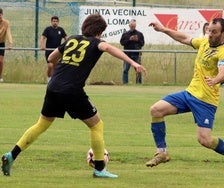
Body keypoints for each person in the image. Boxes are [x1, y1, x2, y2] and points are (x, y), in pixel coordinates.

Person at [1, 14, 146, 178]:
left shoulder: (71, 39)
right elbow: (108, 48)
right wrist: (134, 63)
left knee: (41, 124)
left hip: (53, 87)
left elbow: (50, 58)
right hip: (72, 90)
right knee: (96, 125)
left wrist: (67, 63)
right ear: (98, 31)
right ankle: (99, 168)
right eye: (102, 32)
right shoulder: (97, 42)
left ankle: (12, 155)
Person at [145, 18, 224, 175]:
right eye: (208, 30)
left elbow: (223, 72)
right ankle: (162, 152)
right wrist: (163, 29)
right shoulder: (203, 43)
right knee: (156, 110)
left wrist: (216, 79)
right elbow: (183, 38)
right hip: (189, 94)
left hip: (206, 101)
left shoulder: (223, 51)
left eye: (214, 32)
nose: (210, 34)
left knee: (205, 140)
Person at [41, 16, 67, 82]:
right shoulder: (48, 29)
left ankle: (55, 80)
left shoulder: (61, 30)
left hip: (57, 52)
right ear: (51, 22)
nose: (55, 22)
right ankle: (49, 80)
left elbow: (66, 38)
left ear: (58, 22)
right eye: (53, 21)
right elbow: (43, 37)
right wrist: (43, 46)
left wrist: (67, 46)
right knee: (50, 66)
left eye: (56, 21)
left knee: (56, 67)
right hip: (49, 51)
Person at [120, 19, 145, 84]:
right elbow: (122, 43)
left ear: (135, 26)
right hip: (127, 55)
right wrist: (129, 39)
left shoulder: (140, 34)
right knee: (125, 70)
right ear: (129, 26)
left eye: (133, 26)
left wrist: (137, 40)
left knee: (138, 70)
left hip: (136, 54)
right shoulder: (125, 34)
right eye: (131, 26)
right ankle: (125, 83)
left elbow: (142, 43)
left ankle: (139, 83)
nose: (132, 27)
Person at [0, 8, 13, 82]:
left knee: (0, 61)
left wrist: (10, 43)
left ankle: (0, 77)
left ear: (2, 15)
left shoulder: (6, 23)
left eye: (0, 15)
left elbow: (8, 33)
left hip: (1, 43)